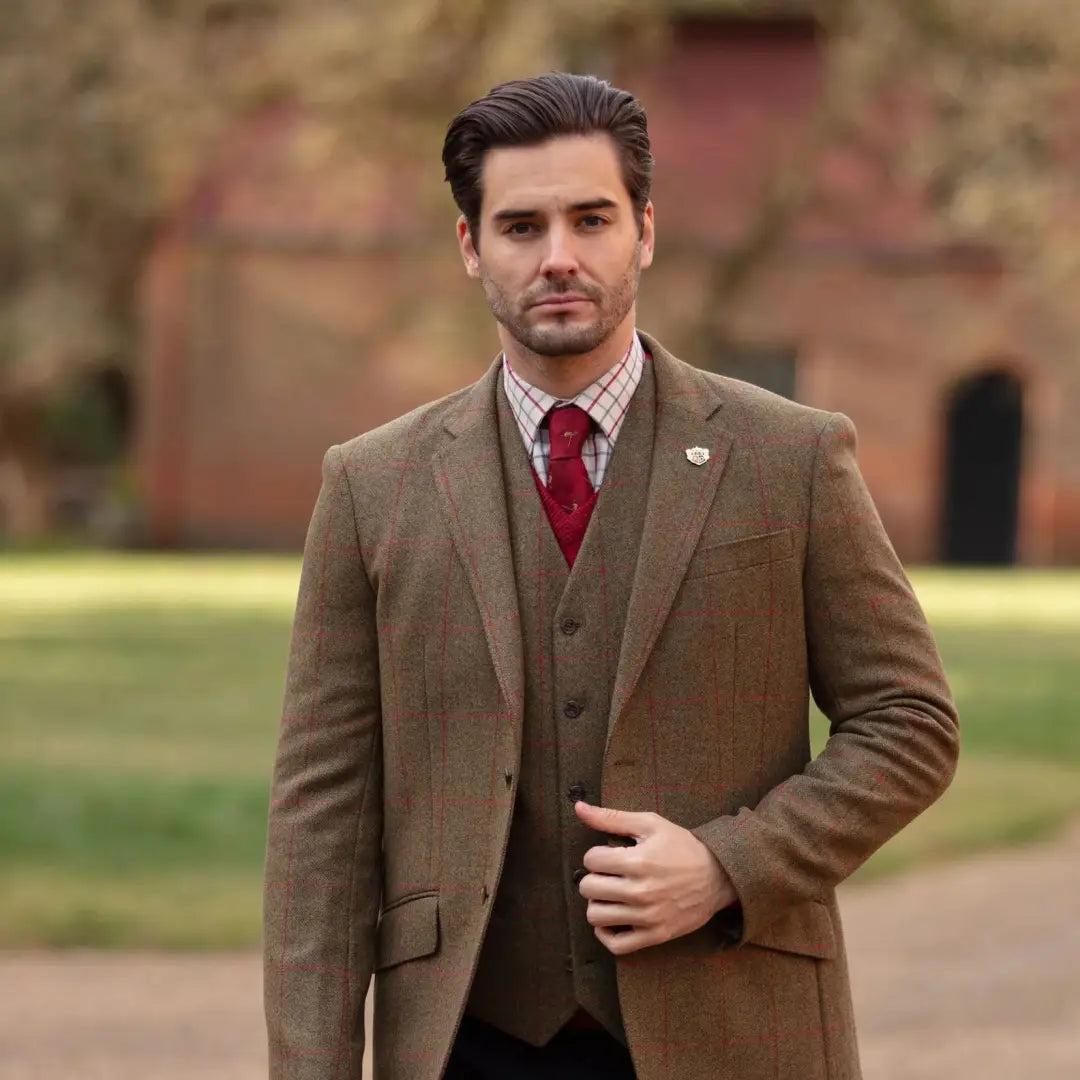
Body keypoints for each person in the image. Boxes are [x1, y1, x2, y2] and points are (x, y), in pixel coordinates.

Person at [262, 72, 959, 1080]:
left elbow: (910, 724)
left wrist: (732, 864)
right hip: (463, 1042)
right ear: (470, 246)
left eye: (591, 219)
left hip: (733, 1029)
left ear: (643, 230)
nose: (559, 257)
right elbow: (321, 823)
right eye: (520, 226)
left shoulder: (791, 458)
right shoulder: (371, 485)